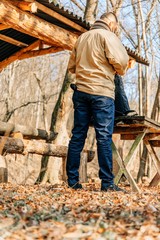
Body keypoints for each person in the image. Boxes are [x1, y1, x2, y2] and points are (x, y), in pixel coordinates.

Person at [66, 12, 130, 191]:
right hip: (102, 93)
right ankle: (107, 183)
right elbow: (121, 62)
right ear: (111, 23)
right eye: (115, 26)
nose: (115, 29)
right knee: (103, 137)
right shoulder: (108, 36)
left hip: (81, 92)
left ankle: (72, 182)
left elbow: (71, 67)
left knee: (78, 135)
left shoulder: (82, 38)